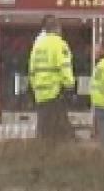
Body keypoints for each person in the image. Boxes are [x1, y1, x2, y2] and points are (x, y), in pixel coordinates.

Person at [27, 14, 76, 143]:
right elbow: (64, 67)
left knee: (44, 132)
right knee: (59, 134)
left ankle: (44, 157)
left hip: (40, 95)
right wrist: (70, 87)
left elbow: (32, 70)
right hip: (55, 93)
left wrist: (35, 89)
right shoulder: (59, 44)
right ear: (57, 28)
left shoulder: (37, 46)